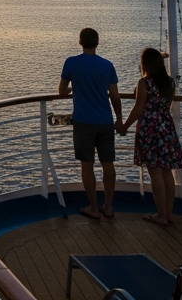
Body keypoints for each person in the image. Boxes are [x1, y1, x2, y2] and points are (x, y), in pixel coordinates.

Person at [57, 27, 121, 220]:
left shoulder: (71, 63)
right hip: (105, 121)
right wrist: (119, 119)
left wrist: (73, 89)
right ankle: (108, 207)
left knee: (87, 165)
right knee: (108, 164)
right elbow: (114, 96)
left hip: (83, 121)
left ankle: (93, 208)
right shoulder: (107, 65)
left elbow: (61, 91)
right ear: (97, 43)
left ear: (80, 42)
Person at [119, 47, 182, 226]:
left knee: (155, 171)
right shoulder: (169, 82)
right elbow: (166, 105)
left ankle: (160, 215)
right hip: (166, 127)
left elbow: (138, 108)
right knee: (166, 171)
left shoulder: (144, 83)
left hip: (149, 129)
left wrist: (124, 126)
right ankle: (169, 214)